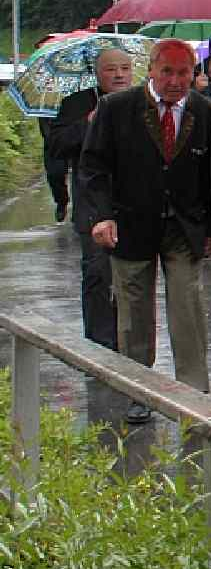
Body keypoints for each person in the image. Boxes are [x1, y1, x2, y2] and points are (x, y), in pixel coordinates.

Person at [79, 40, 211, 424]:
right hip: (131, 223)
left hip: (184, 225)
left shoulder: (207, 112)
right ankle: (138, 390)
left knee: (187, 305)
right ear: (151, 71)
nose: (175, 81)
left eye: (183, 72)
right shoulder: (116, 108)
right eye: (167, 72)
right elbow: (93, 168)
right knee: (133, 311)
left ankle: (194, 393)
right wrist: (101, 217)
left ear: (194, 73)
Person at [48, 46, 135, 349]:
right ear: (97, 74)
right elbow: (57, 146)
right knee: (97, 272)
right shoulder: (77, 104)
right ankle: (99, 344)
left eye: (125, 68)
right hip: (93, 203)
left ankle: (129, 341)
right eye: (111, 69)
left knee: (133, 275)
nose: (119, 75)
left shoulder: (142, 102)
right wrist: (88, 122)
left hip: (134, 202)